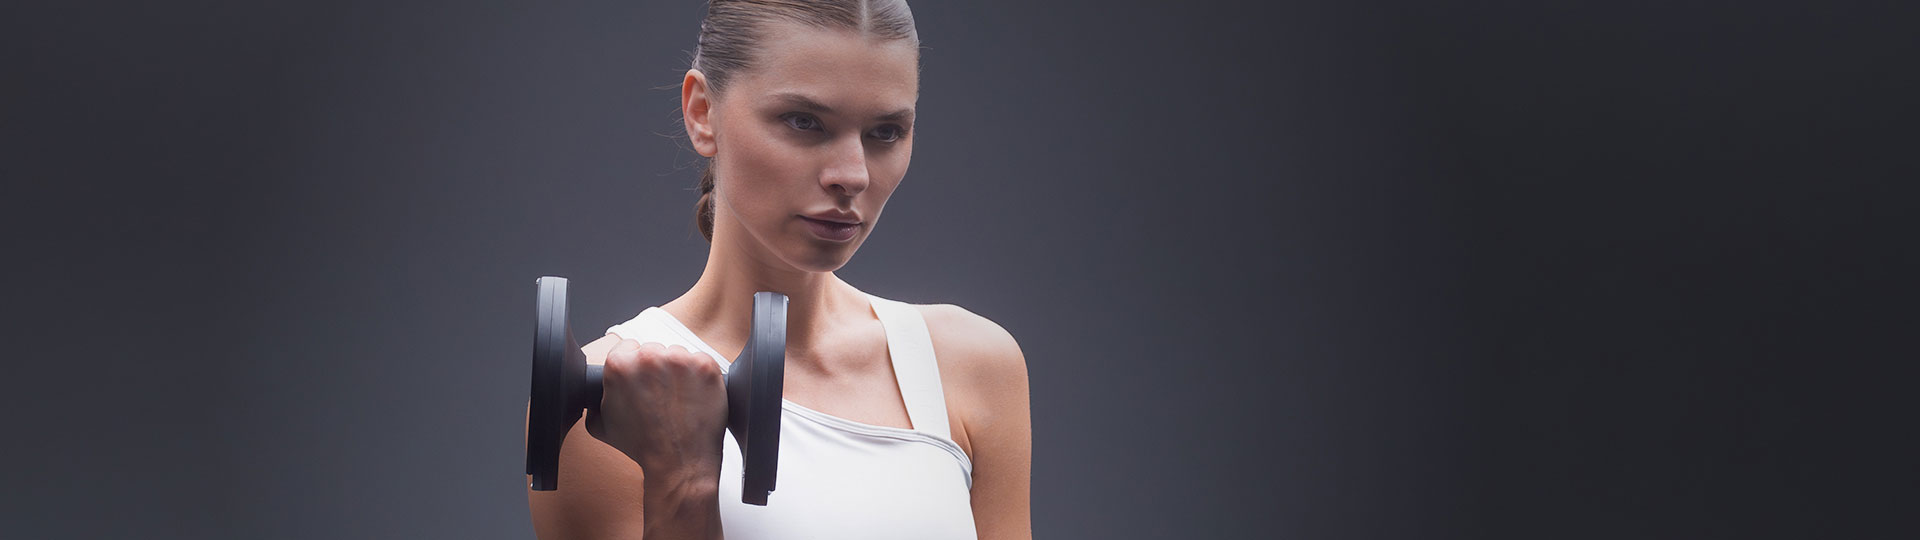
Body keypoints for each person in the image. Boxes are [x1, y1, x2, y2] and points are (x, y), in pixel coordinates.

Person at [526, 1, 1033, 538]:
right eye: (804, 122)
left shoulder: (971, 365)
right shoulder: (610, 401)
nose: (852, 176)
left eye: (884, 132)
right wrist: (684, 478)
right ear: (703, 112)